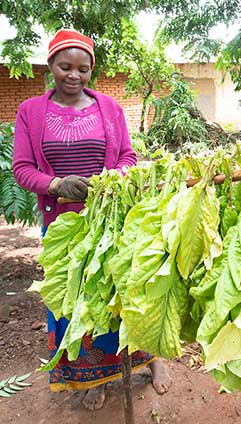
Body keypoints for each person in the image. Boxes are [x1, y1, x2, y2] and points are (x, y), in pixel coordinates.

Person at [12, 28, 170, 410]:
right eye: (65, 66)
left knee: (127, 292)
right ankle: (95, 378)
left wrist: (111, 180)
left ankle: (151, 361)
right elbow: (22, 169)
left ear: (91, 70)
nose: (74, 75)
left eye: (83, 69)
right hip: (64, 228)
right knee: (78, 302)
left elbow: (128, 158)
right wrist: (56, 184)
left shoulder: (109, 108)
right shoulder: (31, 111)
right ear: (50, 65)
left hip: (112, 219)